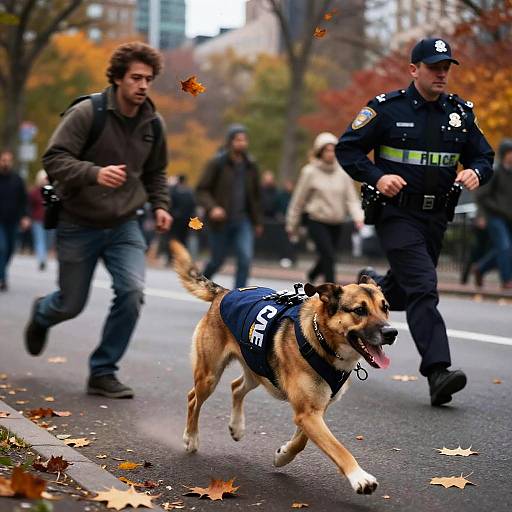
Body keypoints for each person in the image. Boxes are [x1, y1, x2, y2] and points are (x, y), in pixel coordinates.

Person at [336, 38, 494, 406]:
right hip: (397, 214)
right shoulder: (386, 109)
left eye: (446, 67)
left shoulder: (459, 113)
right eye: (434, 66)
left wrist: (476, 171)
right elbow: (348, 148)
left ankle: (373, 285)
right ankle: (438, 371)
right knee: (424, 286)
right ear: (414, 70)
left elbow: (484, 156)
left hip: (437, 215)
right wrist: (376, 177)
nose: (442, 73)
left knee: (405, 291)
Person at [24, 41, 173, 398]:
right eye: (136, 77)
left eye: (148, 79)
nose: (142, 85)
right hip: (79, 221)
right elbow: (54, 158)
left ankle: (103, 371)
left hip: (124, 224)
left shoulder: (153, 123)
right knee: (70, 304)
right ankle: (43, 313)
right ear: (119, 78)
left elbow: (156, 172)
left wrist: (161, 205)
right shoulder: (88, 113)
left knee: (133, 292)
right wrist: (94, 173)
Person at [286, 132, 364, 283]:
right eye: (326, 150)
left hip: (336, 221)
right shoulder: (309, 172)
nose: (330, 154)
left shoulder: (343, 173)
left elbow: (351, 199)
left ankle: (312, 275)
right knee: (329, 256)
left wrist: (358, 218)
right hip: (316, 219)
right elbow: (298, 200)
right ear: (319, 152)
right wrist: (292, 224)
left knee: (328, 256)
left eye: (333, 150)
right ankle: (332, 291)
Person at [196, 124, 263, 289]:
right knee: (217, 260)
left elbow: (255, 196)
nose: (242, 143)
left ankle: (239, 296)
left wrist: (257, 221)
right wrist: (213, 208)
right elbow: (201, 190)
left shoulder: (251, 166)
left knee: (245, 258)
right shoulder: (217, 163)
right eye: (238, 140)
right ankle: (200, 284)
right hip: (221, 221)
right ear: (230, 141)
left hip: (243, 220)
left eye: (244, 140)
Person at [473, 139, 512, 289]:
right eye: (509, 153)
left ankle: (480, 268)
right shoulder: (495, 171)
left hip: (508, 217)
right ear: (504, 154)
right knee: (504, 246)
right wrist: (481, 215)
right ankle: (507, 280)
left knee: (506, 249)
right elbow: (481, 195)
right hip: (494, 216)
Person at [0, 150, 30, 291]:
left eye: (8, 160)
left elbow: (24, 200)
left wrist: (25, 216)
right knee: (2, 248)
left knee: (10, 249)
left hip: (13, 220)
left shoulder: (17, 180)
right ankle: (3, 279)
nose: (5, 163)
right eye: (3, 160)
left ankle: (1, 271)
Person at [28, 169, 51, 271]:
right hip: (37, 220)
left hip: (50, 221)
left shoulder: (52, 191)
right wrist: (28, 217)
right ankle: (42, 259)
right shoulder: (34, 192)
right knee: (40, 241)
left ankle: (44, 256)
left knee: (48, 241)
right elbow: (29, 206)